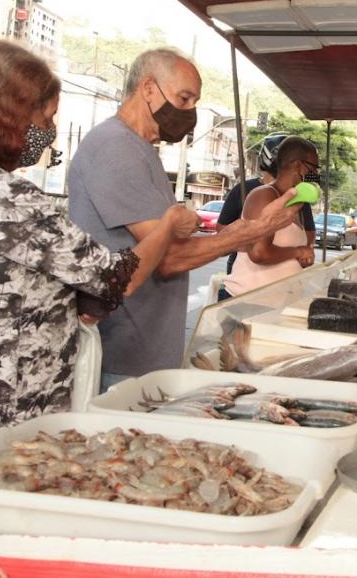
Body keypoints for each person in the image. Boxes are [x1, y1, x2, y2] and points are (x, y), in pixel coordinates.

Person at [0, 41, 197, 467]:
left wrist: (76, 303)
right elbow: (117, 276)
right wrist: (168, 225)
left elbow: (15, 282)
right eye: (44, 119)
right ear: (10, 117)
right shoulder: (4, 196)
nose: (46, 133)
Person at [68, 48, 301, 389]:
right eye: (184, 98)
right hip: (122, 352)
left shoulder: (139, 150)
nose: (190, 112)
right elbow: (169, 257)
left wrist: (246, 229)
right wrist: (254, 232)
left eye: (195, 102)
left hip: (144, 349)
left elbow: (173, 242)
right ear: (148, 88)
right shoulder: (114, 147)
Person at [222, 136, 319, 298]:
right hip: (248, 301)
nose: (315, 175)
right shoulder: (264, 195)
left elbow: (289, 250)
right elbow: (259, 253)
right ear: (298, 166)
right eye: (313, 169)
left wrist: (304, 257)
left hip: (275, 303)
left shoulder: (297, 203)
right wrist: (298, 252)